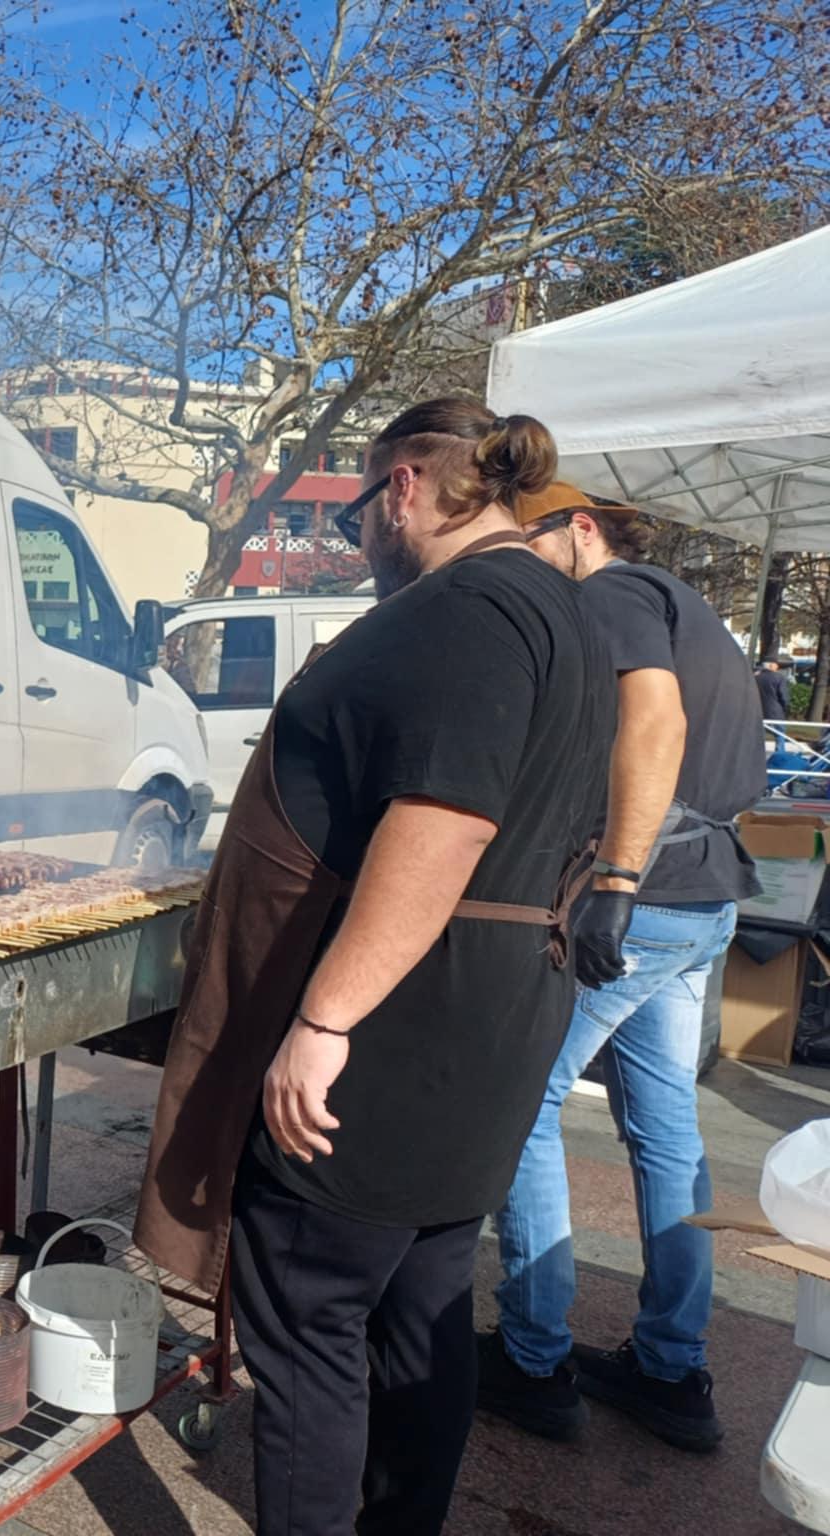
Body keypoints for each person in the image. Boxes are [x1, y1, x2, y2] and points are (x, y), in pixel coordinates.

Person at [135, 400, 615, 1535]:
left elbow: (442, 819)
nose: (358, 540)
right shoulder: (559, 604)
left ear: (401, 486)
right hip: (492, 1027)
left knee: (307, 1328)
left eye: (357, 511)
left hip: (397, 1038)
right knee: (421, 1318)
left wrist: (325, 1018)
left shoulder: (464, 608)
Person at [478, 485, 762, 1453]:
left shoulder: (609, 595)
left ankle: (530, 1357)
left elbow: (653, 728)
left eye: (529, 535)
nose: (520, 554)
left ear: (579, 527)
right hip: (704, 900)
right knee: (665, 1133)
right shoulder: (687, 604)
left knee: (519, 1105)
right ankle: (669, 1368)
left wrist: (612, 877)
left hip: (641, 902)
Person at [757, 657, 791, 723]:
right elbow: (784, 697)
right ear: (771, 665)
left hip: (759, 712)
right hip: (776, 714)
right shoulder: (779, 678)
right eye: (776, 664)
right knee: (779, 733)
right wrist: (786, 709)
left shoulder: (756, 677)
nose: (777, 666)